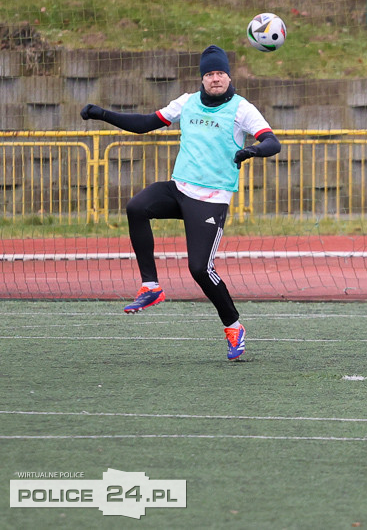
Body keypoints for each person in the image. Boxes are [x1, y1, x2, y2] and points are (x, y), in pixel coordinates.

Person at [80, 45, 280, 361]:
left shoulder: (242, 109)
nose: (215, 79)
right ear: (202, 78)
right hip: (179, 190)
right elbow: (146, 122)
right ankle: (151, 286)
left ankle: (233, 326)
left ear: (228, 76)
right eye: (210, 74)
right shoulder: (187, 102)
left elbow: (272, 142)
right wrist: (102, 114)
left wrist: (252, 150)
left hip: (211, 200)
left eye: (220, 73)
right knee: (136, 207)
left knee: (200, 269)